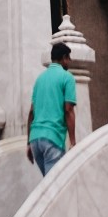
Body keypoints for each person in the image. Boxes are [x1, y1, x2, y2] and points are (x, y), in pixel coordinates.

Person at [26, 41, 76, 177]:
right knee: (53, 189)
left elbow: (31, 112)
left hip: (35, 140)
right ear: (64, 58)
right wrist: (73, 142)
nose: (70, 62)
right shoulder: (67, 78)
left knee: (48, 184)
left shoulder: (39, 79)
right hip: (52, 140)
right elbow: (68, 110)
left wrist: (28, 143)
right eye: (69, 58)